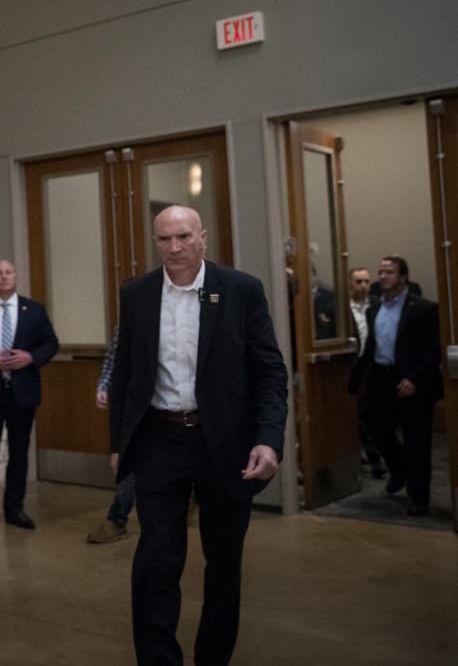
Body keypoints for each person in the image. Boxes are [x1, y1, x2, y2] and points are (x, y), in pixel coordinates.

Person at [108, 205, 287, 666]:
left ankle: (213, 658)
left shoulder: (240, 290)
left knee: (224, 563)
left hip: (225, 444)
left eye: (184, 237)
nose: (174, 248)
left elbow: (269, 371)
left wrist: (268, 439)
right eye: (164, 239)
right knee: (157, 559)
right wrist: (118, 444)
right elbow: (125, 375)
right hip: (160, 440)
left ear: (203, 238)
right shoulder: (138, 294)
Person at [0, 260, 58, 536]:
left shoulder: (35, 311)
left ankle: (14, 509)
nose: (4, 277)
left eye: (9, 272)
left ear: (15, 277)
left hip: (23, 394)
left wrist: (31, 357)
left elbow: (51, 344)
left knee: (19, 454)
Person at [348, 256, 442, 516]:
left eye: (389, 272)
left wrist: (414, 378)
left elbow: (434, 348)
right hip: (382, 377)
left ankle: (418, 497)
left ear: (403, 277)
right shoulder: (374, 308)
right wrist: (357, 381)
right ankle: (400, 470)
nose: (382, 276)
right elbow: (371, 347)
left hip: (413, 381)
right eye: (380, 271)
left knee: (417, 442)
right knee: (377, 428)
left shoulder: (422, 308)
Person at [87, 326, 136, 543]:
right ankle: (117, 519)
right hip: (131, 406)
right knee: (128, 463)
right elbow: (112, 361)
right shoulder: (125, 325)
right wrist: (104, 386)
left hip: (167, 409)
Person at [347, 267, 385, 479]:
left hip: (376, 366)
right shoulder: (343, 308)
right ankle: (374, 458)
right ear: (350, 284)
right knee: (360, 415)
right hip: (355, 368)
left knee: (375, 415)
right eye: (358, 282)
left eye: (366, 281)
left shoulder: (378, 305)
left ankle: (375, 455)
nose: (363, 286)